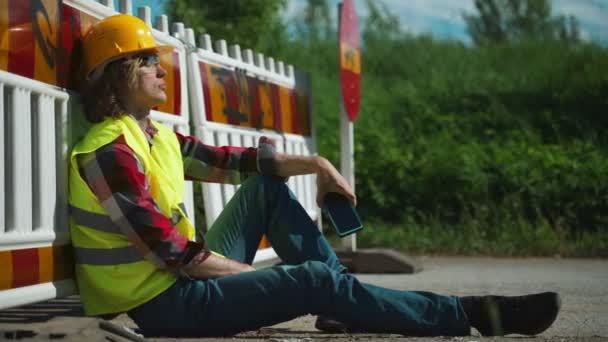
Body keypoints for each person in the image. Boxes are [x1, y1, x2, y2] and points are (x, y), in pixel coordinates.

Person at [69, 14, 561, 338]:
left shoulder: (154, 136)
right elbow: (174, 254)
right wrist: (278, 279)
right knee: (311, 279)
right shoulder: (110, 152)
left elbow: (239, 162)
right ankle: (474, 314)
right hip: (165, 308)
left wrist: (320, 165)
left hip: (178, 284)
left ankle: (340, 298)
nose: (162, 69)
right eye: (148, 61)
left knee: (264, 189)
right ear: (118, 73)